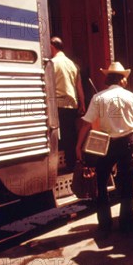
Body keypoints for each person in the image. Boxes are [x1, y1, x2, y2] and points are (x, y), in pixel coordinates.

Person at [76, 62, 133, 234]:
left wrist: (78, 146)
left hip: (105, 143)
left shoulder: (98, 97)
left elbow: (86, 124)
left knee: (101, 183)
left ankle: (105, 224)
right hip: (128, 143)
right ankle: (126, 224)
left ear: (108, 79)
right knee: (127, 184)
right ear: (122, 80)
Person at [51, 36, 85, 171]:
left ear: (52, 47)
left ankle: (57, 164)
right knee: (70, 134)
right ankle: (72, 163)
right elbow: (79, 87)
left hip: (58, 104)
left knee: (57, 135)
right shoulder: (73, 64)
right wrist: (82, 104)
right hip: (72, 104)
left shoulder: (52, 63)